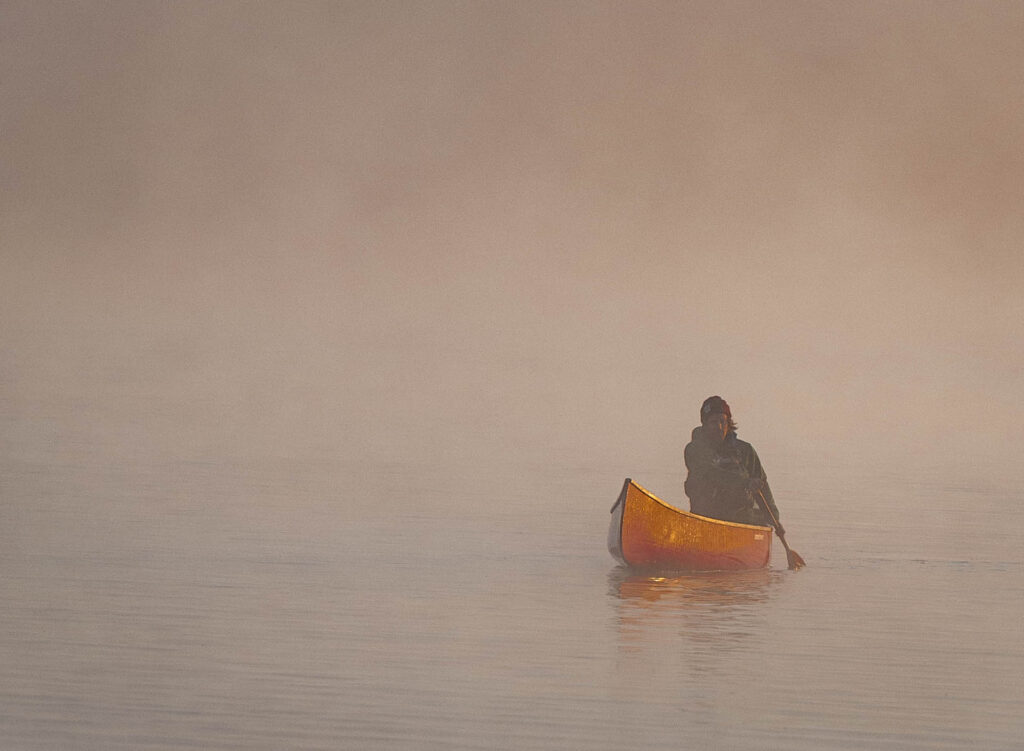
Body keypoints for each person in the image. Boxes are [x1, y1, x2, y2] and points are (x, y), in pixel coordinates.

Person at [684, 396, 781, 528]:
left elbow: (762, 486)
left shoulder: (745, 451)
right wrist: (745, 482)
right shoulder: (694, 450)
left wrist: (774, 519)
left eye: (722, 421)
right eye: (713, 422)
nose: (719, 427)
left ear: (729, 423)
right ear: (704, 424)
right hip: (705, 519)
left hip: (741, 522)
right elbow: (711, 473)